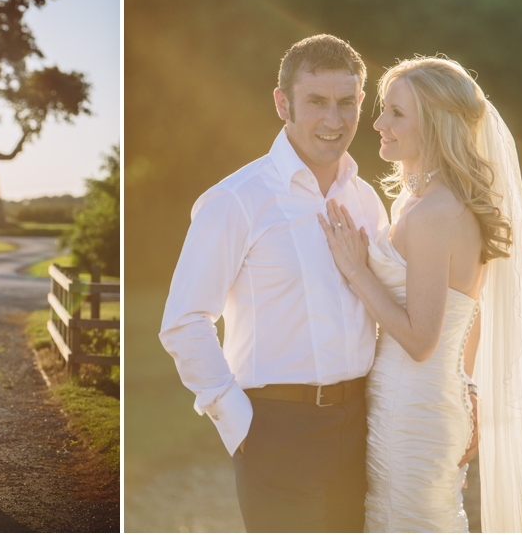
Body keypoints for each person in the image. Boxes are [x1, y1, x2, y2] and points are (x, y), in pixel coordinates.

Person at [319, 56, 522, 531]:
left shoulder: (435, 214)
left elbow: (422, 338)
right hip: (420, 399)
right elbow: (466, 312)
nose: (378, 123)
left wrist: (356, 270)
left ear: (433, 125)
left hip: (413, 409)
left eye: (395, 113)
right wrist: (469, 391)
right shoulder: (421, 202)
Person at [160, 34, 391, 532]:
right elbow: (184, 322)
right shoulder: (237, 200)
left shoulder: (369, 200)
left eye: (346, 102)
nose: (334, 120)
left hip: (362, 423)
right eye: (316, 102)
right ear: (283, 104)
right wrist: (240, 425)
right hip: (276, 431)